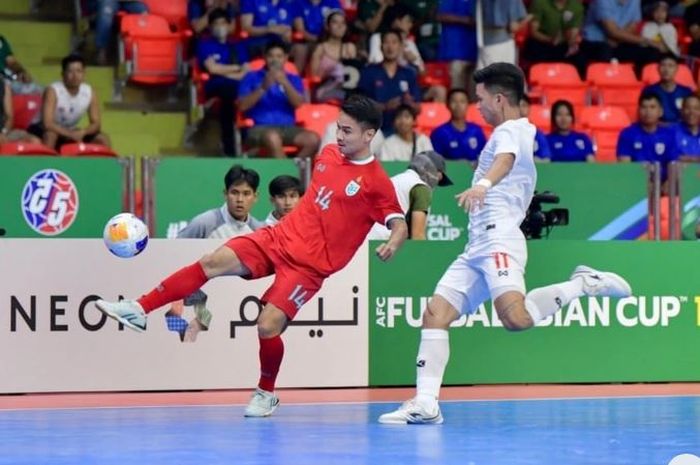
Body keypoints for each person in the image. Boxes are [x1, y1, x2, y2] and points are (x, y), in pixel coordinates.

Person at [95, 94, 409, 418]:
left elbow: (397, 222)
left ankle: (266, 392)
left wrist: (394, 241)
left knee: (267, 326)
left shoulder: (376, 184)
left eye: (347, 131)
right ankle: (138, 308)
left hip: (308, 268)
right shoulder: (328, 153)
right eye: (338, 129)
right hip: (279, 238)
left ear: (369, 135)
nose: (339, 137)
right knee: (211, 262)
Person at [378, 62, 632, 425]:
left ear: (499, 99)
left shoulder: (512, 130)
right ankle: (426, 403)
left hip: (499, 238)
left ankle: (583, 284)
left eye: (480, 99)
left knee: (516, 318)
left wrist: (482, 185)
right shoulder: (508, 131)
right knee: (435, 315)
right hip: (476, 245)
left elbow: (505, 159)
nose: (477, 106)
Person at [168, 165, 265, 342]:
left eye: (246, 193)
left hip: (238, 307)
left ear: (255, 197)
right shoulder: (205, 223)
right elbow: (175, 253)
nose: (240, 199)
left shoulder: (260, 231)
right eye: (234, 192)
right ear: (225, 193)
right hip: (201, 296)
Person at [237, 40, 320, 158]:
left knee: (313, 140)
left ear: (286, 58)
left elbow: (298, 104)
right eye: (271, 56)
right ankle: (288, 173)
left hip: (287, 128)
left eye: (279, 56)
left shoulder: (293, 78)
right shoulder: (251, 77)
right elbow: (242, 106)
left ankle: (293, 170)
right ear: (265, 57)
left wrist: (285, 83)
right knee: (273, 137)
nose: (275, 60)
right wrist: (263, 87)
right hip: (258, 128)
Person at [197, 8, 250, 156]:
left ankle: (247, 141)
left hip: (238, 85)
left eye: (223, 23)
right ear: (210, 26)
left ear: (229, 25)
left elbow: (246, 69)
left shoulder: (238, 45)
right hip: (216, 85)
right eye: (216, 24)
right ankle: (229, 148)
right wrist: (236, 69)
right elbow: (212, 69)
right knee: (230, 97)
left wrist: (227, 71)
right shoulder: (205, 44)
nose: (220, 27)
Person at [29, 54, 110, 150]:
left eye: (79, 71)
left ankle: (104, 164)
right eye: (70, 71)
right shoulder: (53, 90)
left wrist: (82, 132)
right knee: (51, 135)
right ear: (63, 74)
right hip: (42, 128)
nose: (75, 76)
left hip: (70, 130)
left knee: (102, 139)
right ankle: (47, 164)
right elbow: (48, 123)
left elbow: (96, 124)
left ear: (84, 74)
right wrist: (70, 134)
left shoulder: (89, 92)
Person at [368, 150, 453, 240]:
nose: (437, 182)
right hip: (385, 243)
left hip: (364, 242)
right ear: (428, 168)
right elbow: (417, 236)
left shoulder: (393, 180)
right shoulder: (421, 188)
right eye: (439, 177)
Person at [357, 29, 422, 136]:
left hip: (403, 131)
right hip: (374, 131)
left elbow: (418, 109)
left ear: (400, 46)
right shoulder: (369, 72)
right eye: (386, 42)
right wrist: (385, 106)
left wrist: (411, 104)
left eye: (394, 42)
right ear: (381, 47)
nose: (390, 47)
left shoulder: (409, 73)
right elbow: (360, 107)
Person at [574, 0, 662, 78]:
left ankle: (638, 84)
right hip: (594, 43)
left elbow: (633, 26)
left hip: (619, 43)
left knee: (651, 52)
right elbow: (611, 31)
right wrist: (645, 40)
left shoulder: (635, 1)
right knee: (605, 50)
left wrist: (618, 38)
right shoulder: (601, 1)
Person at [309, 9, 358, 103]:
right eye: (335, 22)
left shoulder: (350, 47)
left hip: (345, 90)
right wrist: (330, 71)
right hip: (325, 90)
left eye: (343, 23)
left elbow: (353, 74)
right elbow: (313, 78)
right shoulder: (320, 48)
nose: (340, 26)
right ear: (327, 26)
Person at [430, 88, 486, 162]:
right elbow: (436, 162)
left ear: (468, 105)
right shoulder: (439, 133)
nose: (458, 106)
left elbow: (485, 158)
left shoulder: (476, 131)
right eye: (454, 101)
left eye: (462, 102)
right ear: (447, 105)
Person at [436, 0, 477, 96]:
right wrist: (465, 20)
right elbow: (441, 15)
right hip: (455, 52)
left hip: (475, 52)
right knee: (457, 93)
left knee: (475, 95)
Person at [642, 54, 692, 124]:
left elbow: (691, 116)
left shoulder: (686, 92)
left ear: (676, 69)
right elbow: (645, 116)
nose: (666, 70)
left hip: (681, 130)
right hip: (658, 130)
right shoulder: (649, 91)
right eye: (663, 65)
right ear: (658, 68)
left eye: (670, 66)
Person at [95, 0, 148, 65]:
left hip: (129, 2)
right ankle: (101, 50)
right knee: (105, 13)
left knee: (143, 11)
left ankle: (142, 51)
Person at [0, 80, 41, 144]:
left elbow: (9, 117)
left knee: (34, 141)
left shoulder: (4, 87)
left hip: (4, 131)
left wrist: (4, 132)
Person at [519, 96, 551, 161]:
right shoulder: (507, 133)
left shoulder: (537, 134)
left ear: (529, 108)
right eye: (518, 106)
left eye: (524, 105)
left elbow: (546, 159)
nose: (521, 109)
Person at [674, 94, 700, 161]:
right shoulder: (671, 132)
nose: (692, 112)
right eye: (688, 108)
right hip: (680, 170)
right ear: (681, 111)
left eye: (696, 108)